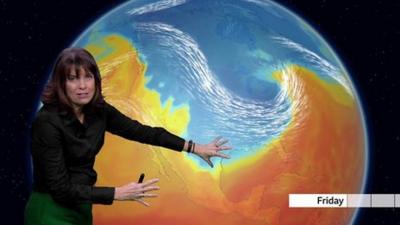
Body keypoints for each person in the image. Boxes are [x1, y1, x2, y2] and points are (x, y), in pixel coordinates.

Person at [24, 47, 231, 225]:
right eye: (73, 78)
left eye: (88, 77)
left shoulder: (99, 111)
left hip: (82, 207)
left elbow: (143, 132)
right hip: (50, 209)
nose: (83, 86)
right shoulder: (47, 122)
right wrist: (117, 194)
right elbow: (60, 189)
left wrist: (194, 147)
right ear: (61, 84)